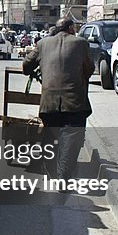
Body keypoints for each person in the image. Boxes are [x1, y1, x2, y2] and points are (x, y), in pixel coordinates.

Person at [22, 17, 94, 180]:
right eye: (74, 28)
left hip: (49, 103)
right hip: (74, 103)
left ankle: (52, 173)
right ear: (69, 28)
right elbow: (89, 69)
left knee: (51, 138)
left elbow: (26, 67)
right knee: (71, 141)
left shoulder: (42, 44)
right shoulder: (81, 43)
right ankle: (63, 177)